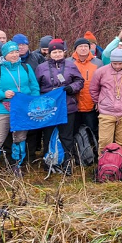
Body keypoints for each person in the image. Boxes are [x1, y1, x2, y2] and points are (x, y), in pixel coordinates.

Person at [0, 41, 40, 188]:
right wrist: (2, 93)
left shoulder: (26, 68)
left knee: (20, 138)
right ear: (4, 55)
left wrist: (32, 104)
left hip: (22, 110)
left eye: (16, 52)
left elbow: (34, 88)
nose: (14, 55)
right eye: (10, 53)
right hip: (2, 110)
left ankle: (17, 166)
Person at [34, 39, 84, 174]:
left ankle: (67, 163)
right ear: (49, 53)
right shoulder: (41, 67)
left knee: (66, 136)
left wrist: (71, 88)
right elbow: (36, 87)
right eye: (54, 52)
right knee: (49, 135)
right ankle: (49, 162)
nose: (57, 54)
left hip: (68, 107)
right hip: (49, 108)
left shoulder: (71, 65)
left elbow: (80, 81)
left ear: (64, 52)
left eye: (59, 52)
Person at [90, 48, 122, 156]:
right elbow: (93, 89)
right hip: (106, 113)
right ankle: (103, 167)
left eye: (120, 63)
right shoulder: (101, 72)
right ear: (111, 61)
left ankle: (118, 167)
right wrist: (99, 102)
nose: (117, 66)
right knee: (104, 142)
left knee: (121, 143)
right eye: (115, 63)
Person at [70, 37, 103, 134]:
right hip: (74, 105)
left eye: (86, 46)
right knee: (74, 131)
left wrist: (99, 101)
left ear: (90, 48)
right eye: (80, 46)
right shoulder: (69, 63)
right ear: (75, 48)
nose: (83, 48)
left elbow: (102, 84)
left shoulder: (98, 63)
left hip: (91, 105)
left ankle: (93, 148)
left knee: (93, 131)